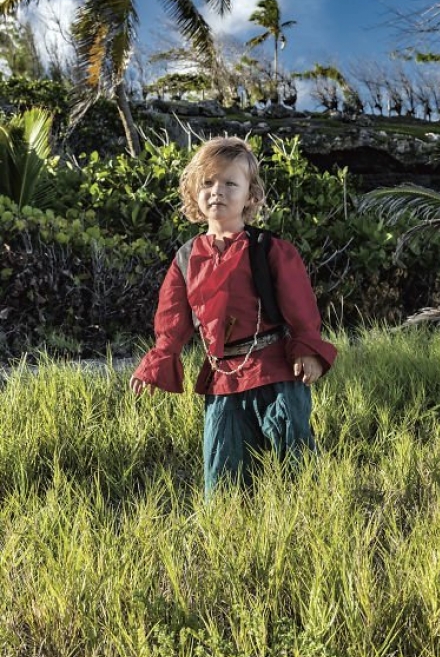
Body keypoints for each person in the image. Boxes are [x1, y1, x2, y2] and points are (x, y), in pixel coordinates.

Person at [130, 136, 336, 494]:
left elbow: (300, 307)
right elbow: (172, 322)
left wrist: (307, 350)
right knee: (222, 474)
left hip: (276, 374)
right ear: (194, 192)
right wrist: (156, 363)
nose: (217, 191)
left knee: (296, 467)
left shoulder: (270, 250)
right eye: (207, 183)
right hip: (223, 378)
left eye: (230, 183)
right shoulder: (186, 258)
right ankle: (228, 534)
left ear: (250, 195)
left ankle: (306, 527)